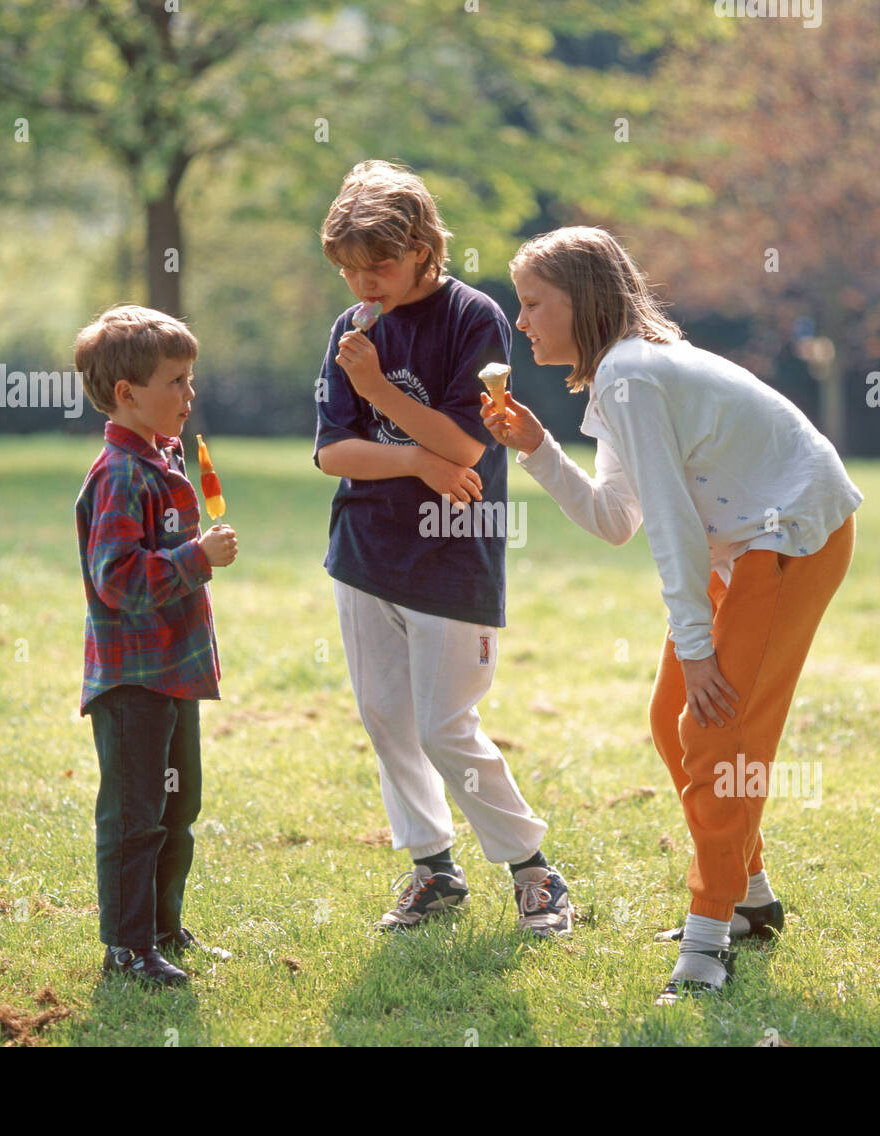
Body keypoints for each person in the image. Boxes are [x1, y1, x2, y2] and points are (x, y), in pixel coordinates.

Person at [481, 227, 862, 1000]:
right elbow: (617, 518)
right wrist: (536, 448)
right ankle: (752, 900)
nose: (521, 322)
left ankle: (706, 943)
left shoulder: (631, 374)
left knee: (716, 730)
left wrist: (697, 645)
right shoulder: (619, 378)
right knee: (673, 720)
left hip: (789, 537)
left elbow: (675, 528)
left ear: (582, 302)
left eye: (532, 304)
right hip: (747, 546)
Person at [313, 160, 572, 936]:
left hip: (455, 548)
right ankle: (433, 869)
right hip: (364, 549)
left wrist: (384, 397)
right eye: (349, 269)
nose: (363, 282)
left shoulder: (476, 318)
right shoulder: (350, 328)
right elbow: (333, 454)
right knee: (386, 717)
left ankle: (534, 871)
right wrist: (415, 460)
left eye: (379, 265)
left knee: (444, 724)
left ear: (426, 245)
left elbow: (464, 447)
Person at [74, 304, 238, 986]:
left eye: (191, 379)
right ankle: (127, 948)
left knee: (178, 807)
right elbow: (116, 579)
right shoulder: (120, 475)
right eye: (176, 381)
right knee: (135, 815)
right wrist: (196, 559)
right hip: (134, 680)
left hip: (174, 672)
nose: (188, 394)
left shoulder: (165, 460)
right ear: (127, 394)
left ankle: (164, 929)